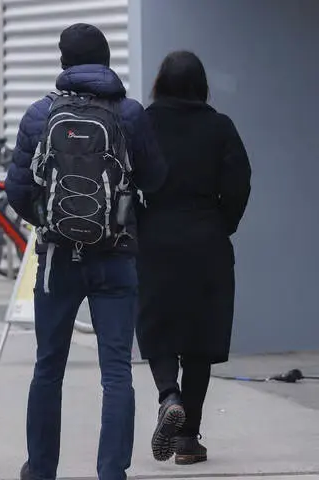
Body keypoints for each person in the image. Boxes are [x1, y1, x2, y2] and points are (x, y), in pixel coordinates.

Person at [5, 23, 167, 480]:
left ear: (63, 62)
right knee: (116, 372)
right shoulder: (130, 114)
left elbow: (18, 189)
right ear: (107, 59)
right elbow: (156, 178)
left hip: (57, 259)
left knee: (48, 368)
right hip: (115, 255)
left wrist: (51, 222)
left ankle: (41, 469)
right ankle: (111, 471)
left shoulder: (40, 113)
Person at [136, 51, 251, 465]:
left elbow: (126, 178)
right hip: (206, 239)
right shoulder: (220, 126)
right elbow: (240, 182)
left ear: (160, 83)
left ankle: (169, 395)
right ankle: (187, 439)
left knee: (158, 325)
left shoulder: (143, 123)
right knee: (201, 338)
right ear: (202, 85)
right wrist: (221, 224)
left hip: (155, 237)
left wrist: (140, 223)